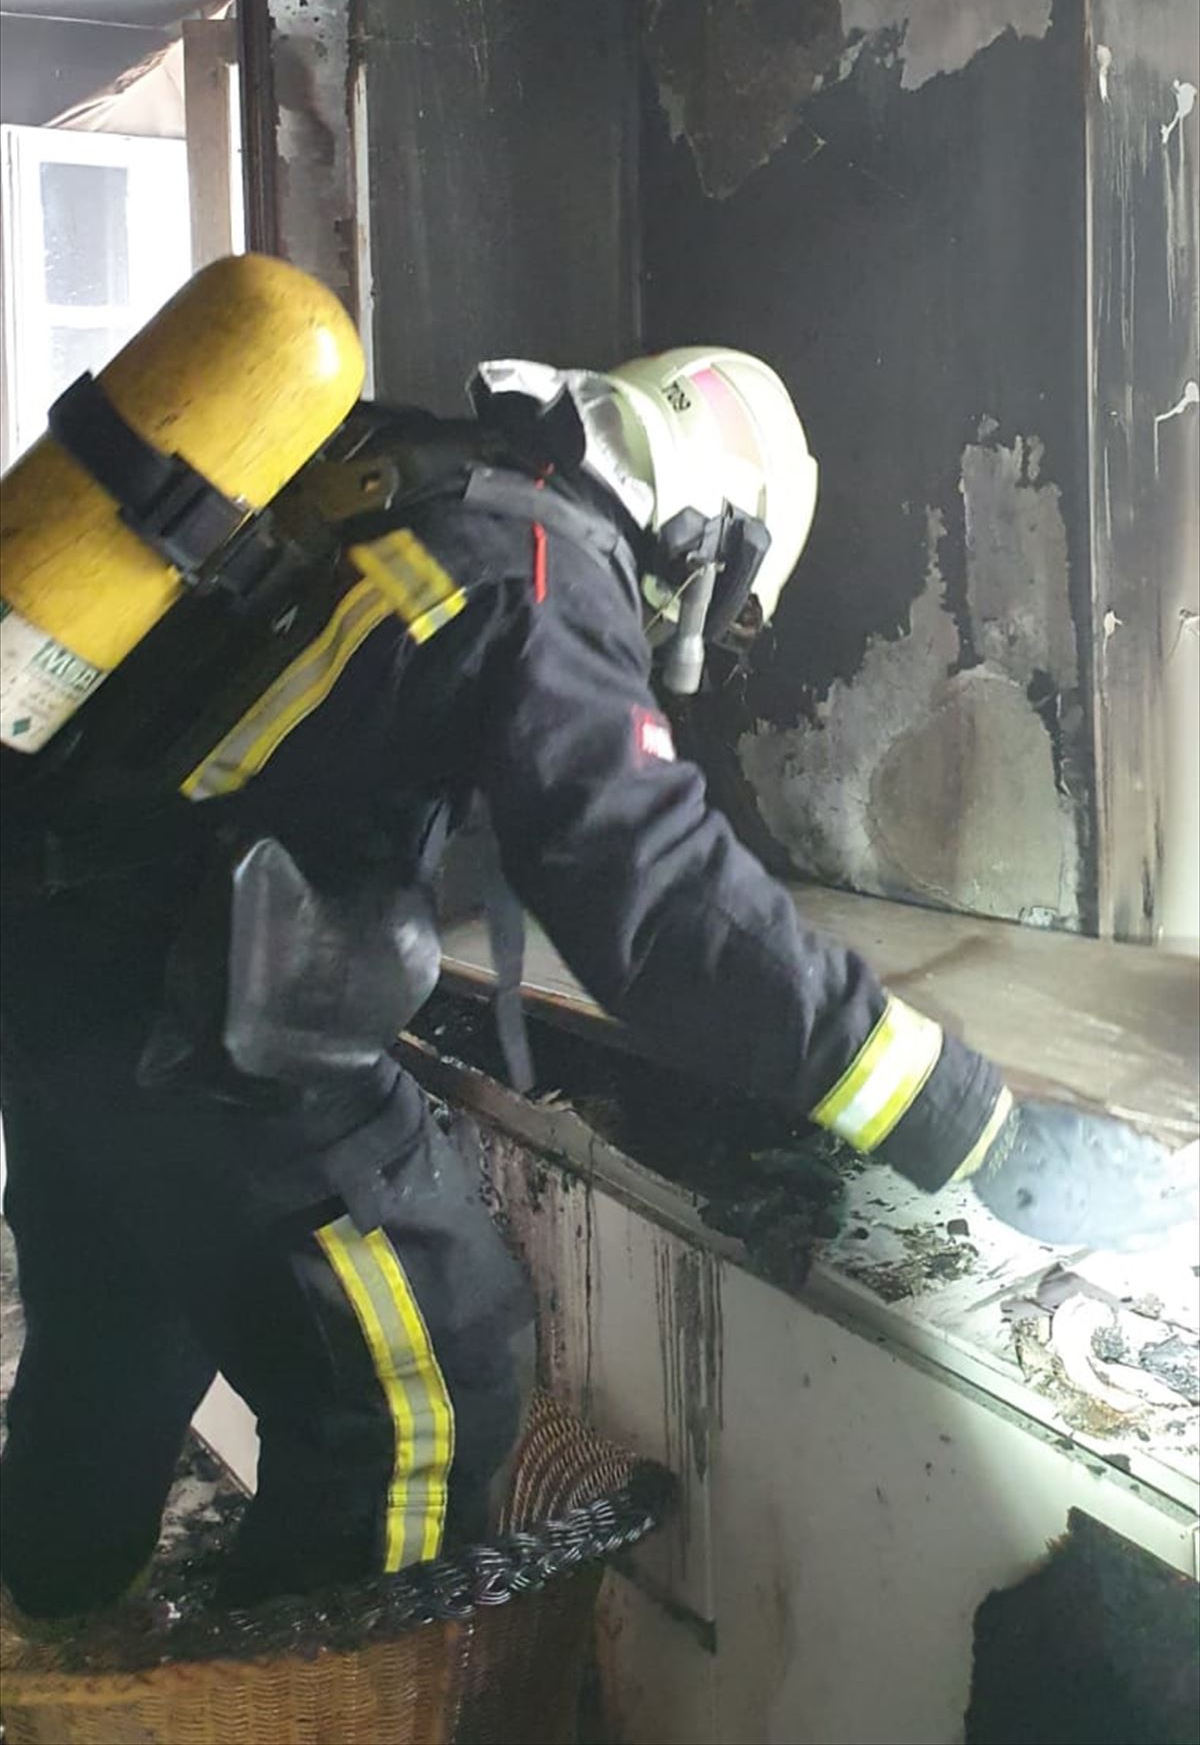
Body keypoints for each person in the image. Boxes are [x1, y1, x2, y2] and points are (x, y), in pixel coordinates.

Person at [1, 327, 1190, 1620]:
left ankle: (54, 1647)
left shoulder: (408, 477)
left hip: (63, 983)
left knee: (118, 1336)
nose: (688, 626)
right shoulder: (539, 566)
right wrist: (978, 1128)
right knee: (430, 1387)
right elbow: (670, 911)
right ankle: (313, 1700)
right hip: (190, 1033)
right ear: (710, 532)